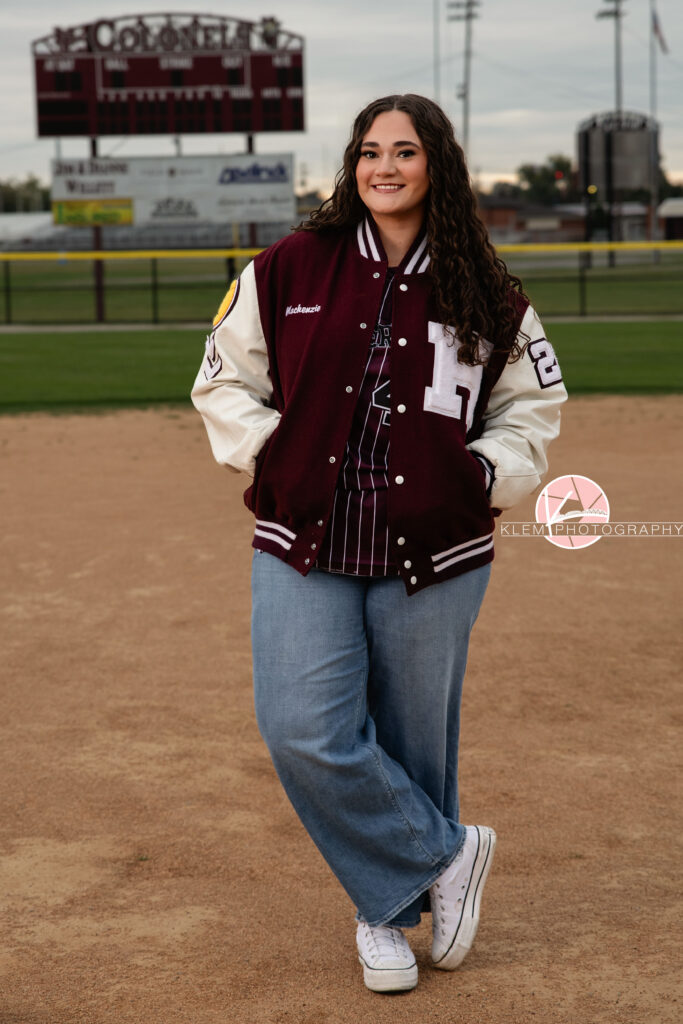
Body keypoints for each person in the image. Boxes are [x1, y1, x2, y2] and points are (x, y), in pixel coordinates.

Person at [192, 93, 567, 994]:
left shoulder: (488, 285)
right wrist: (274, 452)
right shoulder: (287, 266)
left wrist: (475, 478)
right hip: (302, 538)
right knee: (299, 729)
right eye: (368, 151)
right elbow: (220, 381)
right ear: (351, 166)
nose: (383, 167)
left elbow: (532, 414)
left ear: (436, 163)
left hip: (433, 553)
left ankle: (386, 918)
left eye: (403, 150)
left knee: (411, 743)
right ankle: (447, 854)